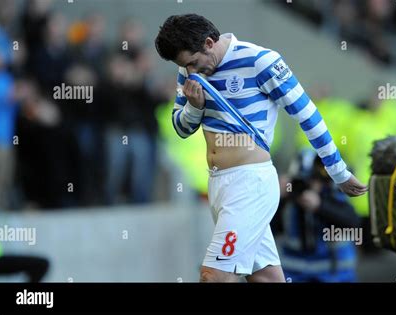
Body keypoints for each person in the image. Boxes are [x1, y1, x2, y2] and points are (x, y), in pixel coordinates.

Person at [154, 14, 367, 283]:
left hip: (250, 184)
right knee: (266, 278)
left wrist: (338, 172)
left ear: (209, 43)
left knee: (213, 276)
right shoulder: (187, 71)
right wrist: (194, 108)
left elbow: (308, 116)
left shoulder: (261, 61)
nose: (191, 73)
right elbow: (181, 128)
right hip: (219, 185)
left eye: (193, 63)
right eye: (185, 67)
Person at [275, 150, 360, 282]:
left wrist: (320, 206)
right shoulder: (289, 196)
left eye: (316, 179)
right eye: (307, 180)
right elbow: (271, 229)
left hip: (335, 273)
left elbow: (352, 221)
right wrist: (277, 198)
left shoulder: (334, 192)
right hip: (294, 272)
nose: (313, 185)